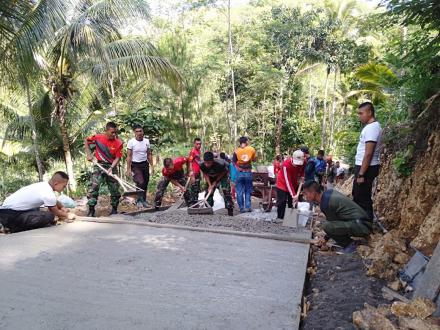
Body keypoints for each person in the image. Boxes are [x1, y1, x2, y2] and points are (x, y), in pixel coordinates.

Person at [303, 180, 372, 253]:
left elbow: (331, 226)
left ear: (313, 192)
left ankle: (350, 244)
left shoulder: (326, 203)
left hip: (362, 227)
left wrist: (325, 239)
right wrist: (325, 238)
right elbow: (336, 222)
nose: (305, 197)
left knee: (326, 226)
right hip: (363, 223)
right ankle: (346, 242)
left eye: (305, 193)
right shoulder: (329, 193)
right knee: (329, 226)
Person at [0, 172, 75, 233]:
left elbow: (54, 200)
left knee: (37, 209)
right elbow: (55, 212)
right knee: (49, 216)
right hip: (10, 215)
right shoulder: (48, 193)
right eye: (64, 186)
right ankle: (13, 227)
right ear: (56, 184)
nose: (64, 188)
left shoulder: (43, 186)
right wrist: (68, 215)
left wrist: (62, 207)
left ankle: (9, 224)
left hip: (5, 211)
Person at [85, 122, 123, 217]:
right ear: (106, 131)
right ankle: (91, 210)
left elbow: (117, 158)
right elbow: (86, 141)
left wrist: (111, 167)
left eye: (115, 132)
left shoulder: (118, 143)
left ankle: (114, 209)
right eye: (112, 132)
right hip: (99, 165)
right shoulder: (98, 138)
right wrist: (89, 154)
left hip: (112, 166)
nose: (114, 134)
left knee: (114, 189)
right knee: (93, 187)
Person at [353, 102, 382, 220]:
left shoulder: (372, 128)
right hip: (365, 166)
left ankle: (365, 224)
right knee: (360, 196)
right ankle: (362, 223)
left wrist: (361, 174)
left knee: (362, 198)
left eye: (361, 113)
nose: (359, 116)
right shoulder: (372, 127)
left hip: (366, 168)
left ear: (370, 113)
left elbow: (368, 153)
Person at [199, 151, 234, 216]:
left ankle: (229, 208)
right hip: (210, 177)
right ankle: (208, 208)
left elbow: (224, 172)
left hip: (222, 175)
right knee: (209, 192)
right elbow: (205, 174)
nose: (207, 165)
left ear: (213, 161)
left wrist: (216, 182)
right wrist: (210, 185)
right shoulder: (202, 165)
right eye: (205, 163)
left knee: (225, 190)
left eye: (209, 163)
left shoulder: (220, 164)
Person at [126, 124, 153, 208]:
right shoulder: (131, 142)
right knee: (140, 182)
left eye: (140, 131)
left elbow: (149, 154)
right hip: (135, 165)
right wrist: (128, 169)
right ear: (134, 133)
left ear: (143, 132)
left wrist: (152, 166)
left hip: (144, 164)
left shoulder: (146, 141)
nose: (139, 133)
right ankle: (138, 200)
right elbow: (129, 156)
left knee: (145, 182)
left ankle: (144, 200)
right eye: (137, 131)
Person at [275, 150, 305, 220]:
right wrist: (293, 195)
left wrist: (302, 176)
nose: (298, 165)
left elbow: (303, 170)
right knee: (282, 201)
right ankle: (280, 217)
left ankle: (291, 218)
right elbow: (287, 181)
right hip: (282, 183)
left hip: (294, 182)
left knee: (293, 202)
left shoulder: (303, 161)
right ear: (292, 158)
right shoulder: (286, 165)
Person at [233, 136, 256, 213]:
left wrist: (237, 168)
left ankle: (241, 208)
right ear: (246, 142)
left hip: (240, 173)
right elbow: (254, 159)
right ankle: (248, 207)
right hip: (248, 172)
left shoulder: (236, 151)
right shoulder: (252, 149)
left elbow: (233, 161)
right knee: (248, 190)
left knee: (239, 191)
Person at [188, 138, 202, 206]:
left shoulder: (198, 151)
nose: (199, 145)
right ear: (194, 144)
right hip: (194, 173)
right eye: (197, 144)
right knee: (193, 188)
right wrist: (191, 173)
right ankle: (192, 203)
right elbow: (190, 162)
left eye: (200, 144)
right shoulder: (193, 152)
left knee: (197, 188)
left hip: (198, 172)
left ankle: (195, 202)